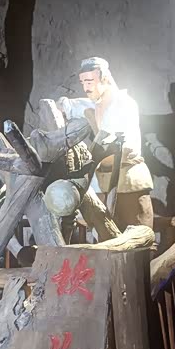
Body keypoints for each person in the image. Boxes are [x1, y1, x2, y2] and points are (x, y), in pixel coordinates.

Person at [57, 57, 153, 231]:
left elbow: (126, 148)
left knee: (136, 235)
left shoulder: (125, 104)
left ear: (105, 79)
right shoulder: (94, 104)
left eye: (90, 82)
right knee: (106, 237)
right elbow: (68, 106)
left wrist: (98, 151)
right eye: (83, 82)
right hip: (103, 182)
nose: (86, 87)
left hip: (128, 179)